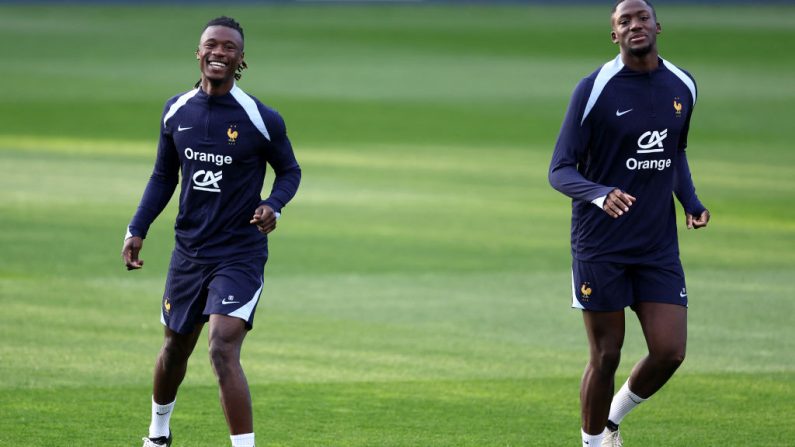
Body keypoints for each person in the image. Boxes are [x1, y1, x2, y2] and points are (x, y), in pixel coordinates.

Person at [121, 16, 301, 447]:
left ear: (241, 60)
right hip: (189, 252)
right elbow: (164, 176)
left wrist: (272, 205)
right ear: (198, 53)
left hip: (239, 252)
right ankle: (158, 435)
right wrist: (137, 227)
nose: (218, 52)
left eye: (229, 48)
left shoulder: (261, 118)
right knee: (174, 349)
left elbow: (289, 171)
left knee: (222, 347)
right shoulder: (176, 110)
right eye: (211, 45)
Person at [548, 1, 710, 445]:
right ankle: (594, 442)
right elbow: (559, 169)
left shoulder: (683, 84)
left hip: (657, 244)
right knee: (606, 355)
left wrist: (691, 202)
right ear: (614, 35)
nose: (635, 25)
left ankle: (613, 421)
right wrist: (600, 194)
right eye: (624, 21)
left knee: (670, 351)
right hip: (600, 245)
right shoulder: (594, 88)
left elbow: (674, 150)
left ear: (658, 25)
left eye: (641, 17)